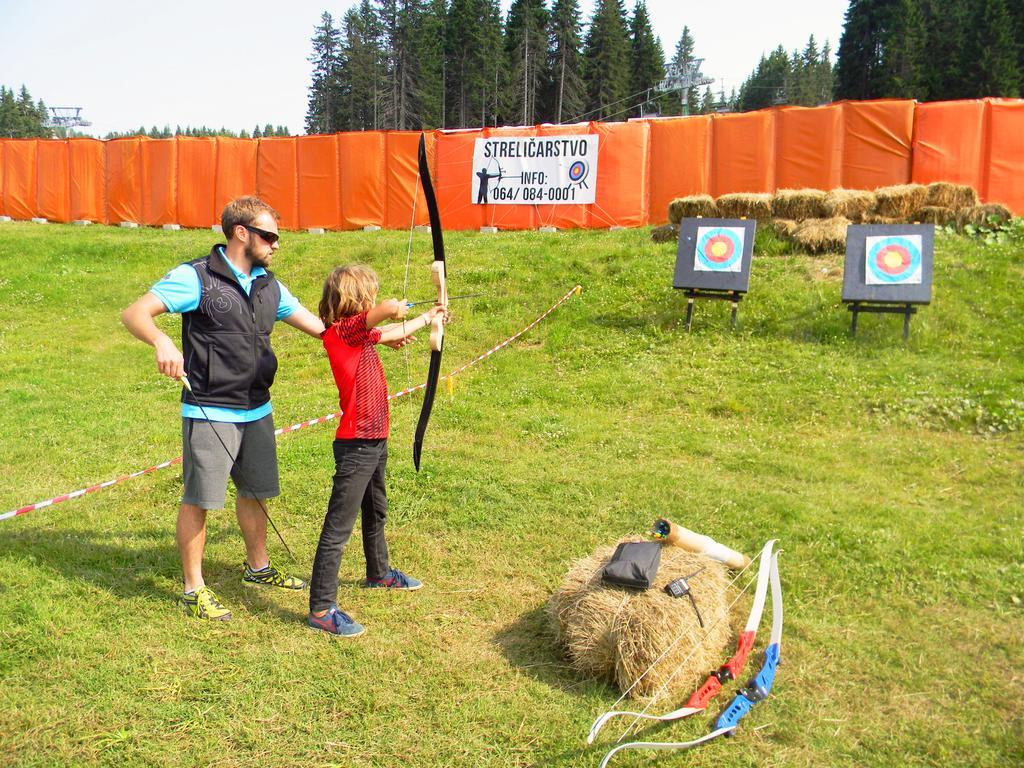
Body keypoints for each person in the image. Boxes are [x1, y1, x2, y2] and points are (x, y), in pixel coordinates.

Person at [121, 196, 325, 621]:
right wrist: (161, 340)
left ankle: (258, 567)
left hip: (257, 408)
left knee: (256, 491)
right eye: (269, 236)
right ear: (241, 233)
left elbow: (322, 329)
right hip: (210, 409)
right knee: (200, 498)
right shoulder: (195, 277)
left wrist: (380, 330)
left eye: (277, 237)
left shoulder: (270, 284)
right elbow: (135, 313)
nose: (276, 244)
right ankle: (193, 587)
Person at [307, 265, 446, 638]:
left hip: (374, 439)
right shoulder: (341, 333)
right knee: (338, 528)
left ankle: (379, 573)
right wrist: (392, 306)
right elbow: (382, 314)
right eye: (369, 295)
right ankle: (321, 607)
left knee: (376, 509)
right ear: (357, 299)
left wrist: (426, 317)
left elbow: (388, 331)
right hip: (356, 444)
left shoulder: (362, 335)